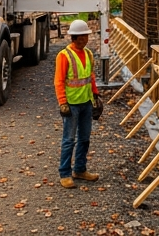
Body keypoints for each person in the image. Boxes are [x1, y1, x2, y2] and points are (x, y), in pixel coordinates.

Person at [55, 19, 100, 189]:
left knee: (84, 139)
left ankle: (80, 169)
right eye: (82, 37)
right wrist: (62, 102)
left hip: (86, 102)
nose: (85, 40)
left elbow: (91, 76)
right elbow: (59, 81)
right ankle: (65, 173)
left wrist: (95, 95)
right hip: (72, 104)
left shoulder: (88, 54)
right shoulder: (64, 56)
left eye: (86, 37)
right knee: (69, 140)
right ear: (74, 38)